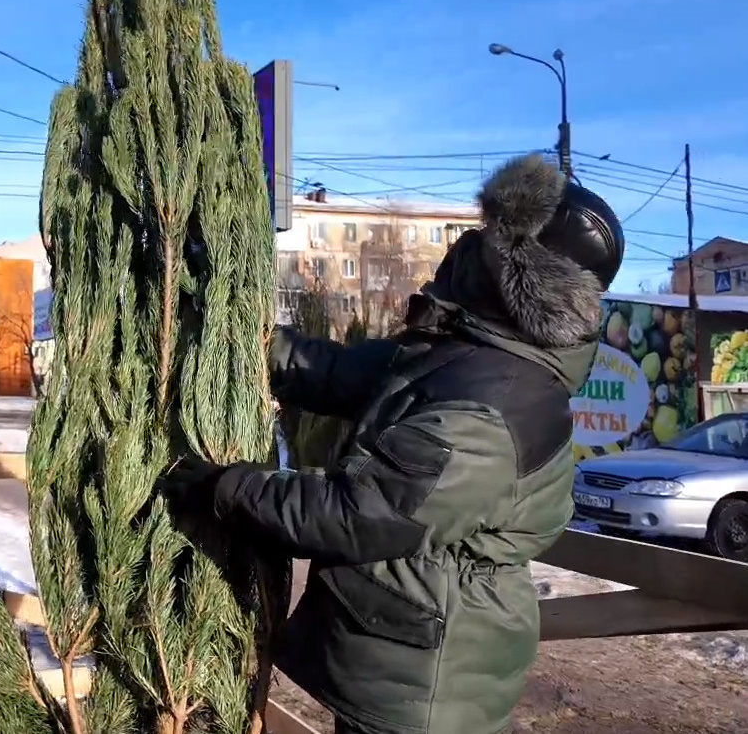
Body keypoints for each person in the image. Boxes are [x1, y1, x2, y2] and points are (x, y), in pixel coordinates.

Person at [163, 153, 624, 734]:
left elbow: (364, 512)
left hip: (427, 689)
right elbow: (337, 373)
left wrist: (226, 488)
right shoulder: (464, 356)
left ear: (513, 275)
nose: (465, 245)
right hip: (401, 661)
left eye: (488, 237)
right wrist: (241, 333)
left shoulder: (498, 405)